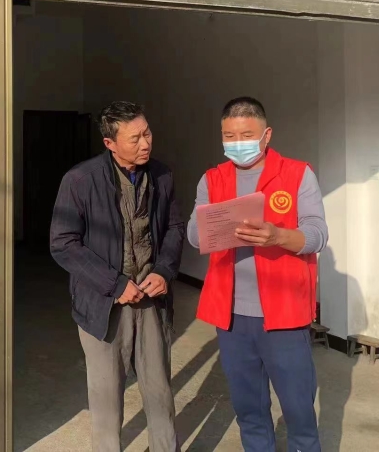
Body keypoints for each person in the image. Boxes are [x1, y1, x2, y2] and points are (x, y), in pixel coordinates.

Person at [187, 97, 328, 452]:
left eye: (246, 135)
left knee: (298, 411)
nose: (238, 143)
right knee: (249, 410)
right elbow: (193, 234)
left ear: (266, 135)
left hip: (284, 315)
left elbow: (317, 234)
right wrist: (215, 227)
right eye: (229, 136)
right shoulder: (212, 179)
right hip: (232, 317)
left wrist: (278, 236)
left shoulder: (297, 174)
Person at [50, 101, 185, 452]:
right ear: (109, 143)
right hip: (103, 305)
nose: (146, 143)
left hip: (152, 300)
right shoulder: (80, 180)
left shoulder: (162, 175)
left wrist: (164, 271)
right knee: (107, 399)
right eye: (135, 138)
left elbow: (174, 227)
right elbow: (63, 243)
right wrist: (115, 284)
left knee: (159, 391)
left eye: (147, 133)